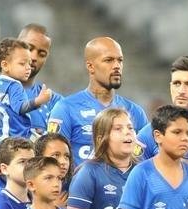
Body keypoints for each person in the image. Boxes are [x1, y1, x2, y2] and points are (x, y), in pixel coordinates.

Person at [49, 37, 148, 168]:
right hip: (78, 188)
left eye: (120, 60)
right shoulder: (66, 109)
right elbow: (52, 161)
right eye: (109, 60)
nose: (117, 66)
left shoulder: (135, 112)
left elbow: (145, 162)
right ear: (90, 66)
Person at [0, 37, 51, 155]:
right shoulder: (15, 85)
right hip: (13, 145)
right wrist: (38, 101)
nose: (28, 67)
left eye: (29, 63)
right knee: (47, 144)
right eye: (22, 64)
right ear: (5, 65)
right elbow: (20, 108)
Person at [136, 56, 188, 160]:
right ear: (170, 87)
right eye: (177, 83)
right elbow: (134, 173)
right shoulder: (149, 133)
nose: (181, 90)